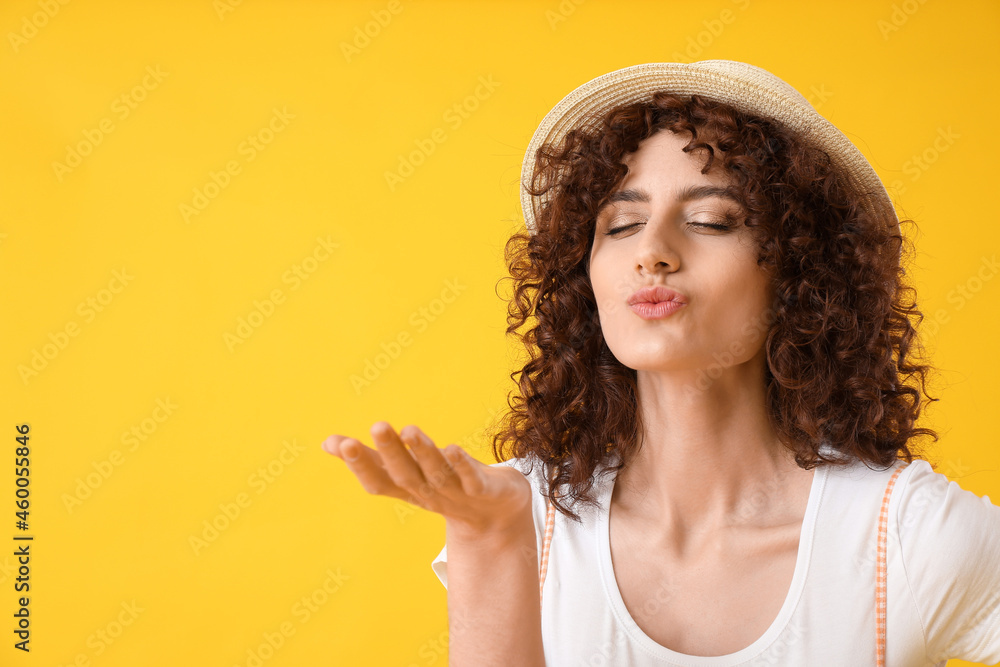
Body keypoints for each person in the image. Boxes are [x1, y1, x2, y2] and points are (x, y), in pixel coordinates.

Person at [322, 61, 1000, 666]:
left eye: (709, 220)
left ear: (800, 271)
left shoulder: (904, 534)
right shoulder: (522, 512)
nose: (652, 250)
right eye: (619, 225)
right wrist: (489, 542)